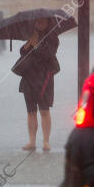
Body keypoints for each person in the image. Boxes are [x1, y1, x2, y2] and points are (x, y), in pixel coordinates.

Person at [17, 18, 60, 152]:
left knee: (44, 110)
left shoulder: (53, 38)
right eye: (37, 22)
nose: (39, 24)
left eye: (43, 22)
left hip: (44, 78)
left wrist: (36, 45)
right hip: (29, 77)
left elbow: (49, 55)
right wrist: (29, 43)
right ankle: (32, 141)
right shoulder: (32, 35)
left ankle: (46, 141)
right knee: (30, 111)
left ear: (48, 23)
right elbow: (23, 53)